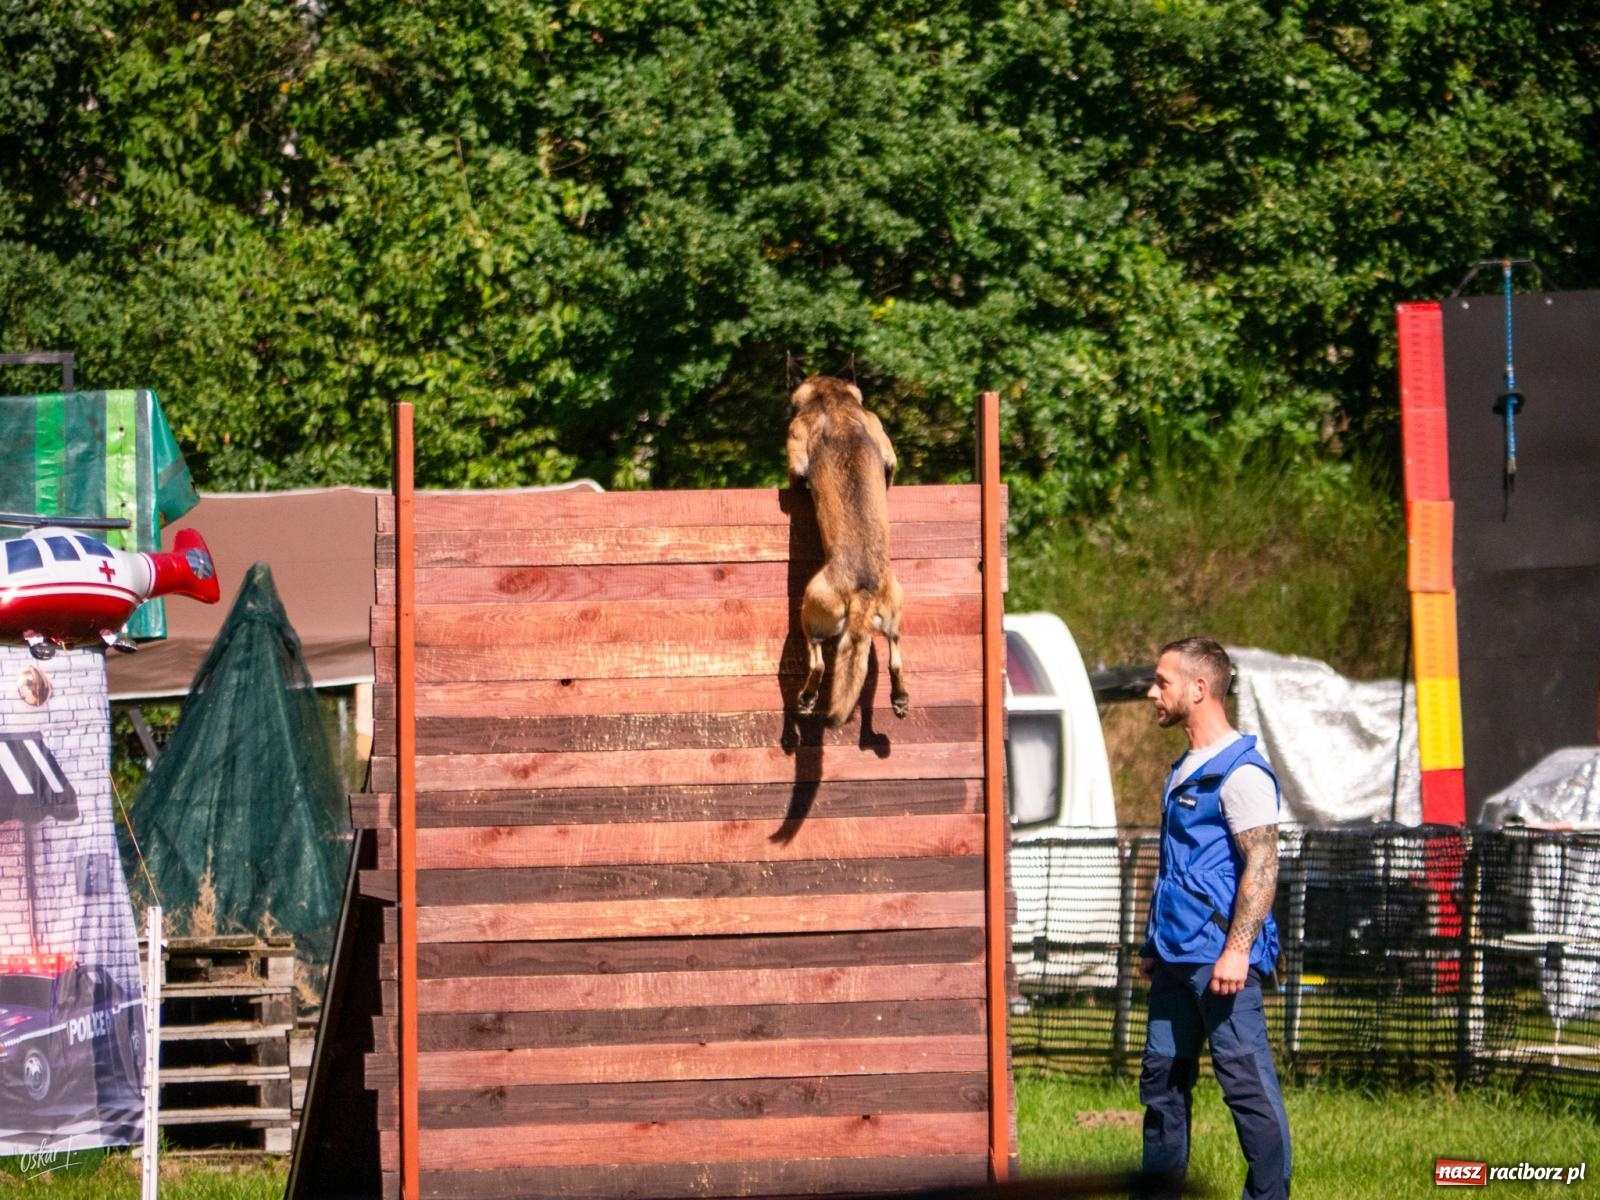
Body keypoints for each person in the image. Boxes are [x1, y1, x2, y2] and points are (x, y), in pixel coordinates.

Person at [1139, 637, 1292, 1200]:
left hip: (1220, 963)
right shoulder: (1182, 769)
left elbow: (1263, 863)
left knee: (1247, 1091)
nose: (1152, 693)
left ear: (1199, 689)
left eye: (1163, 682)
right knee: (1161, 1088)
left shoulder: (1241, 772)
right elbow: (1178, 870)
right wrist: (1152, 946)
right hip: (1174, 962)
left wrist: (1237, 951)